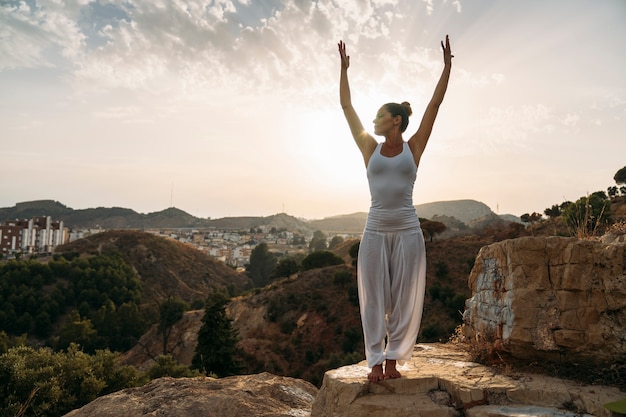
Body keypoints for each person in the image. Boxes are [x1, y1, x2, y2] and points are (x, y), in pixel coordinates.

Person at [338, 36, 453, 382]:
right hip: (375, 230)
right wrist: (343, 70)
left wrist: (447, 68)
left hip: (407, 231)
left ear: (396, 121)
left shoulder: (413, 147)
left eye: (380, 116)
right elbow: (346, 108)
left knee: (403, 299)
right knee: (373, 298)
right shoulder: (369, 147)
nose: (374, 120)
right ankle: (374, 359)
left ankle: (392, 360)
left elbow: (433, 107)